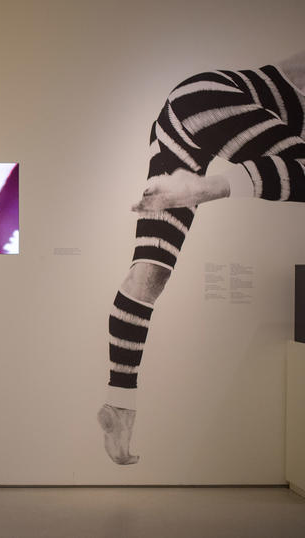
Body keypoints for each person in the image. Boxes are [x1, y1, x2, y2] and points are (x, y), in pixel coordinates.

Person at [99, 51, 305, 464]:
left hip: (181, 110)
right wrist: (207, 187)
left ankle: (119, 402)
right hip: (215, 98)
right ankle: (205, 188)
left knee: (148, 275)